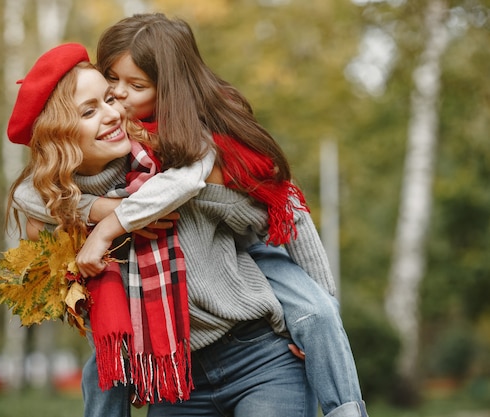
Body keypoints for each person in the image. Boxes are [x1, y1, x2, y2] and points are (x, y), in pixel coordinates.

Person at [75, 13, 369, 417]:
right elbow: (45, 193)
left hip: (259, 325)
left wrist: (322, 315)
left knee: (316, 313)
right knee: (100, 366)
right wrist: (100, 207)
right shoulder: (109, 140)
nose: (119, 93)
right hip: (181, 376)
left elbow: (289, 211)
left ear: (169, 88)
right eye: (111, 77)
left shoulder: (209, 141)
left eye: (136, 85)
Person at [7, 42, 317, 417]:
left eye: (109, 99)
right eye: (90, 111)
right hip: (177, 382)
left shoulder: (169, 161)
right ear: (59, 137)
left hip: (259, 358)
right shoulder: (55, 213)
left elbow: (280, 210)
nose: (112, 114)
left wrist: (316, 321)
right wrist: (102, 211)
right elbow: (30, 198)